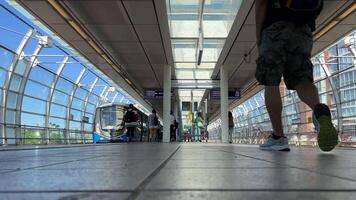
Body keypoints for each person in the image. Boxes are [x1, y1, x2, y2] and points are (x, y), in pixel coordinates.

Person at [255, 0, 338, 151]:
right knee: (303, 80)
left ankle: (278, 137)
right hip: (303, 30)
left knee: (271, 82)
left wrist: (259, 35)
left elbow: (261, 3)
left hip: (275, 28)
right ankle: (319, 111)